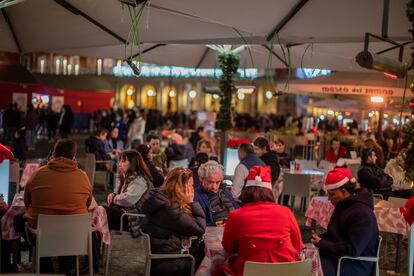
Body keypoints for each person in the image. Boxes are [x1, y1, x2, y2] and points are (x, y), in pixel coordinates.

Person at [24, 139, 92, 274]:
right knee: (70, 231)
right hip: (73, 235)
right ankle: (65, 270)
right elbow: (88, 203)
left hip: (41, 235)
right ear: (74, 156)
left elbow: (27, 202)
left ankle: (45, 268)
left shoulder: (37, 174)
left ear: (54, 154)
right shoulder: (83, 177)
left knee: (24, 223)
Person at [219, 166, 303, 276]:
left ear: (246, 191)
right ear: (270, 191)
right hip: (287, 272)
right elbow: (297, 246)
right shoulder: (286, 212)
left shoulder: (236, 216)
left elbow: (229, 248)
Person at [312, 168, 379, 276]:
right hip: (341, 258)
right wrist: (316, 238)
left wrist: (322, 244)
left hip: (355, 265)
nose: (329, 199)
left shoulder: (362, 214)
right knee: (306, 260)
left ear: (344, 192)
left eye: (332, 194)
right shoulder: (345, 205)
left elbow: (353, 249)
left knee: (312, 267)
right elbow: (336, 235)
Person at [141, 168, 206, 276]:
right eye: (190, 185)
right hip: (169, 262)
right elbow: (200, 229)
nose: (192, 189)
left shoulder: (161, 199)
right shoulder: (170, 208)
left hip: (162, 257)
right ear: (181, 187)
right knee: (210, 263)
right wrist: (192, 202)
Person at [105, 150, 153, 236]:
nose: (119, 164)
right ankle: (101, 243)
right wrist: (114, 195)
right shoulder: (129, 177)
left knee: (102, 212)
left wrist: (114, 198)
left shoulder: (139, 179)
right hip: (127, 213)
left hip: (134, 218)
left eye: (123, 161)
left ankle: (98, 244)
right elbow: (120, 194)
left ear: (133, 163)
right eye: (120, 161)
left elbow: (128, 200)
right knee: (100, 212)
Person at [194, 161, 239, 226]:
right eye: (210, 182)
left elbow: (237, 208)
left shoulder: (224, 190)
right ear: (201, 179)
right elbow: (197, 224)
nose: (214, 187)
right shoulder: (196, 196)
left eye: (217, 182)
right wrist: (214, 224)